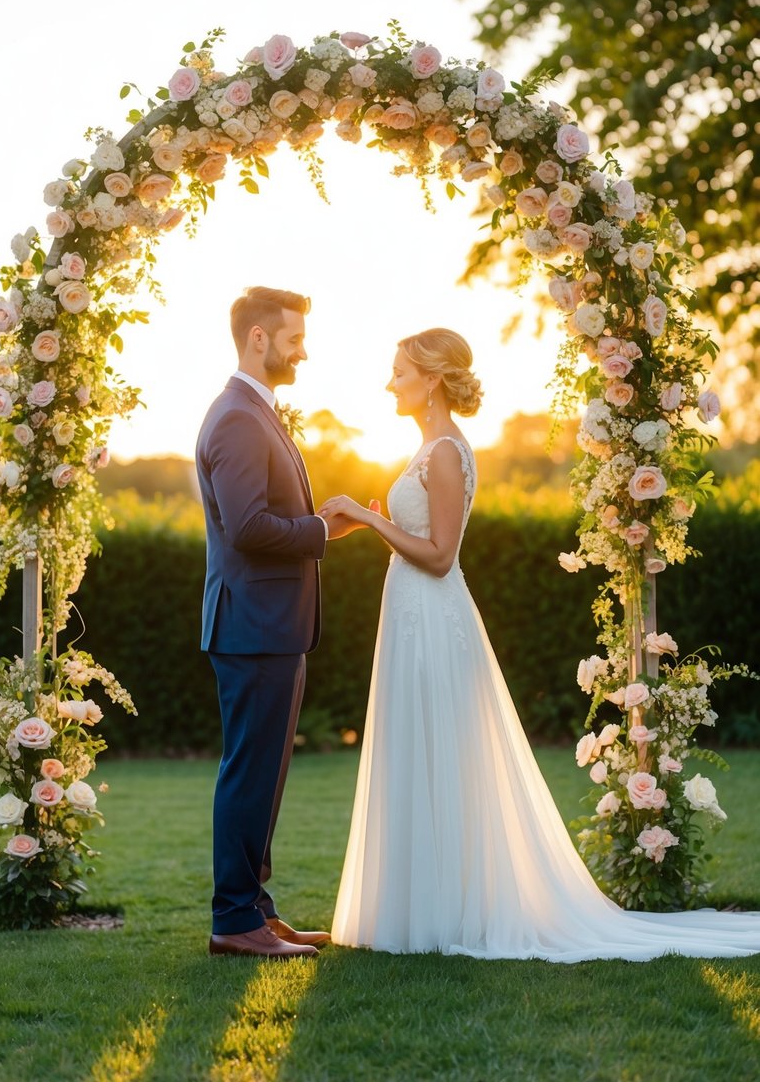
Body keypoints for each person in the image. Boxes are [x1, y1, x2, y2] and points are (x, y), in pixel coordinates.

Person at [319, 328, 760, 961]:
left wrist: (369, 520)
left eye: (399, 373)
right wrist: (376, 525)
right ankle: (420, 908)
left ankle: (443, 912)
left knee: (438, 750)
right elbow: (419, 540)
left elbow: (442, 557)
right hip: (412, 613)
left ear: (432, 379)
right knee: (419, 746)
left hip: (432, 614)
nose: (391, 384)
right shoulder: (430, 447)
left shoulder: (444, 451)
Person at [196, 286, 352, 959]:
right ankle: (233, 920)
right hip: (252, 625)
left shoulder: (255, 412)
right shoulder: (235, 417)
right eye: (293, 338)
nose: (302, 350)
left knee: (265, 773)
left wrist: (323, 528)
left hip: (271, 624)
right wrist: (321, 528)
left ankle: (256, 908)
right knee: (248, 773)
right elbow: (248, 527)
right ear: (258, 338)